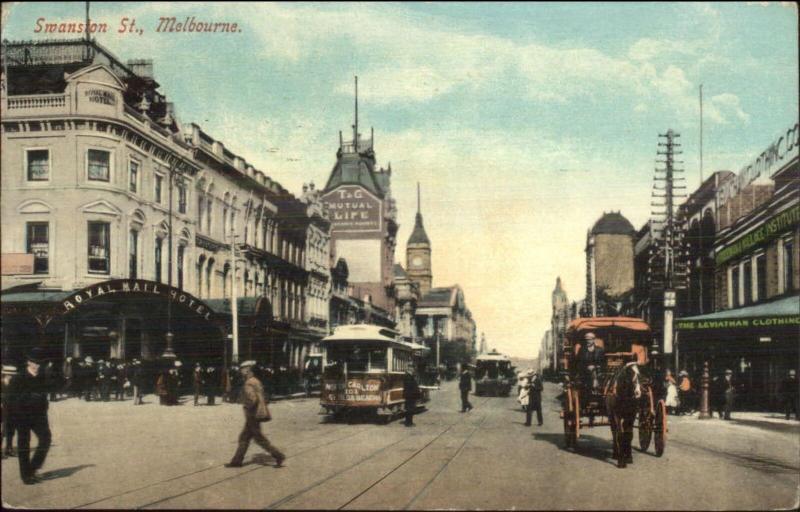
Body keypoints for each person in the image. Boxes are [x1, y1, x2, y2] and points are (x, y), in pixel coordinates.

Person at [225, 360, 285, 468]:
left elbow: (252, 399)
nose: (241, 371)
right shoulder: (256, 381)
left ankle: (278, 455)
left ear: (248, 370)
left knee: (258, 439)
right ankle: (237, 461)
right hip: (257, 413)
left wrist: (246, 406)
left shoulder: (248, 382)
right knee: (244, 437)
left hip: (252, 414)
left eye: (242, 369)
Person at [12, 349, 52, 485]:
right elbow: (13, 398)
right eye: (35, 363)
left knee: (46, 439)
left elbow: (46, 391)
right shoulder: (19, 377)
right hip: (22, 415)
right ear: (29, 362)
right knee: (24, 444)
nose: (38, 366)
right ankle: (26, 476)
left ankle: (33, 467)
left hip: (40, 415)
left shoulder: (42, 376)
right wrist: (31, 398)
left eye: (40, 363)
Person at [2, 365, 19, 459]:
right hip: (2, 409)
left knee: (11, 430)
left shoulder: (14, 384)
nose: (11, 377)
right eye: (10, 375)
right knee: (3, 430)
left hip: (12, 409)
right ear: (5, 374)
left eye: (12, 375)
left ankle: (9, 449)